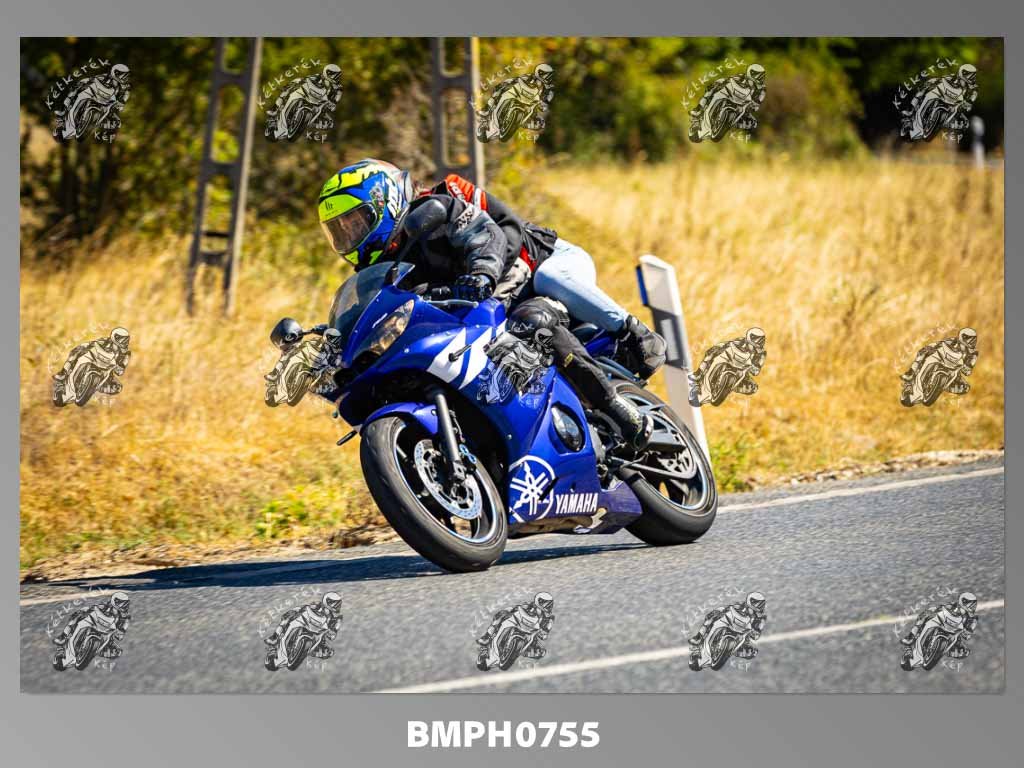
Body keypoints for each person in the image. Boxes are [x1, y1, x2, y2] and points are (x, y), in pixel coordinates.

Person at [316, 159, 665, 449]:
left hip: (538, 265)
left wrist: (482, 273)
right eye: (340, 231)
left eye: (355, 222)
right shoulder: (382, 269)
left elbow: (491, 234)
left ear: (385, 202)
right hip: (489, 307)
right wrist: (333, 352)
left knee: (531, 319)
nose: (349, 236)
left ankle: (620, 392)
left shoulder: (438, 207)